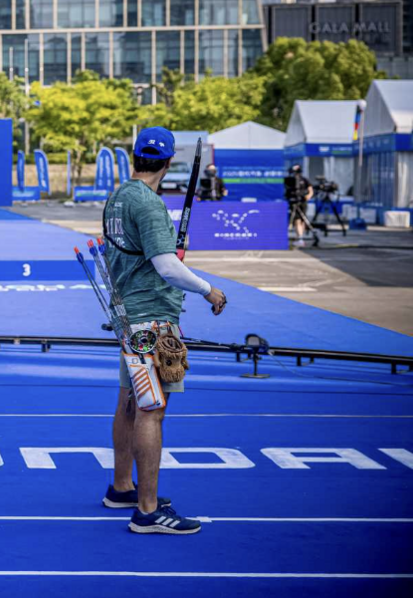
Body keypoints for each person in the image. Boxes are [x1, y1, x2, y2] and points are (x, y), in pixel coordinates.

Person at [101, 126, 227, 535]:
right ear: (168, 163)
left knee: (131, 402)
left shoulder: (118, 197)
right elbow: (167, 267)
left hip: (128, 316)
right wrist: (210, 290)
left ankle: (122, 486)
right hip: (151, 319)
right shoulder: (149, 205)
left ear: (134, 156)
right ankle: (148, 511)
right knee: (151, 411)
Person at [286, 164, 314, 248]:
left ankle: (300, 238)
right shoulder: (288, 180)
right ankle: (300, 238)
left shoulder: (304, 180)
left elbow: (310, 190)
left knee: (302, 220)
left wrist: (308, 196)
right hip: (293, 201)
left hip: (302, 202)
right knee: (296, 220)